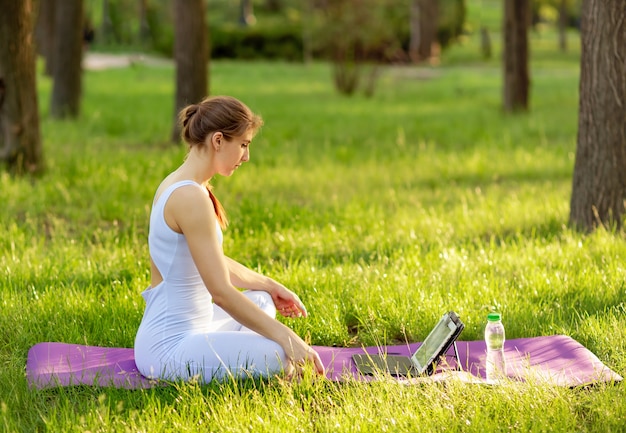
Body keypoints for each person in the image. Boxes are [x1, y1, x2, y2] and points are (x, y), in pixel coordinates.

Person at [134, 95, 324, 382]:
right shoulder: (190, 197)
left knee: (261, 299)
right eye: (244, 145)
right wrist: (289, 340)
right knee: (280, 356)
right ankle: (262, 350)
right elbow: (220, 293)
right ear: (218, 141)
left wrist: (270, 285)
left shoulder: (179, 182)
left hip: (195, 328)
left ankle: (251, 346)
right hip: (168, 348)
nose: (246, 157)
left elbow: (211, 261)